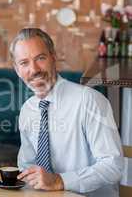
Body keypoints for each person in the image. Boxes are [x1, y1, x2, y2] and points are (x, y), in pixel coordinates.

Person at [9, 28, 123, 197]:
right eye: (24, 63)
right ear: (17, 70)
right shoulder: (27, 110)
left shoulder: (89, 101)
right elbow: (27, 165)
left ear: (53, 57)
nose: (34, 70)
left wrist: (59, 181)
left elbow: (113, 166)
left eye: (40, 58)